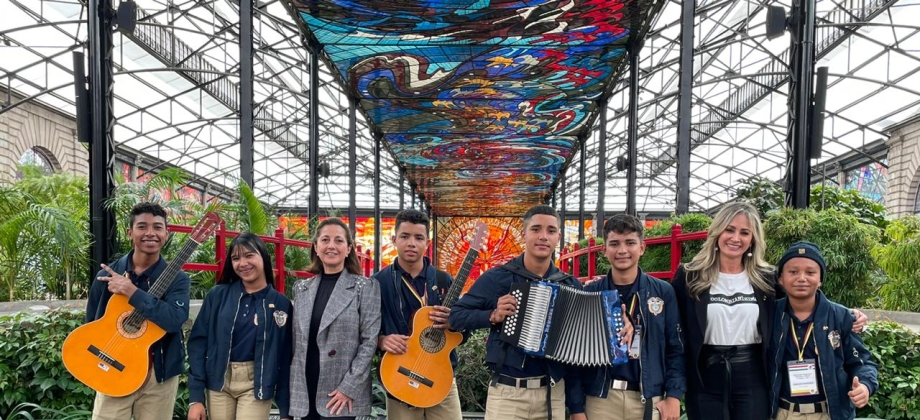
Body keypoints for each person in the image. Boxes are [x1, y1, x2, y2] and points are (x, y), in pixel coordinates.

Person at [672, 202, 868, 420]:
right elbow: (671, 327)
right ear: (717, 232)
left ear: (753, 239)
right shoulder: (690, 276)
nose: (736, 238)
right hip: (704, 375)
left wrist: (847, 314)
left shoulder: (766, 278)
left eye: (744, 232)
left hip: (754, 373)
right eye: (729, 229)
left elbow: (802, 301)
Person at [449, 205, 631, 420]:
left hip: (552, 394)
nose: (543, 237)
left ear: (558, 237)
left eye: (551, 231)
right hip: (508, 394)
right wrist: (492, 316)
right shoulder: (498, 278)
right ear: (524, 234)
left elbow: (579, 350)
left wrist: (618, 325)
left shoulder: (570, 285)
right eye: (536, 229)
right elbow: (455, 316)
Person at [569, 214, 685, 420]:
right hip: (600, 400)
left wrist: (674, 396)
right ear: (604, 250)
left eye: (630, 243)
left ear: (642, 247)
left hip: (648, 398)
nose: (622, 250)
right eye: (614, 244)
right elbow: (575, 357)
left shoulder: (663, 293)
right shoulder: (590, 293)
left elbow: (676, 348)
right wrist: (577, 408)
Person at [84, 202, 190, 420]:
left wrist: (133, 292)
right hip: (114, 365)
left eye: (158, 227)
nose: (150, 233)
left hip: (158, 375)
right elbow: (91, 323)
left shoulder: (178, 279)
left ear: (166, 234)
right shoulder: (107, 275)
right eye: (142, 226)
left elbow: (174, 320)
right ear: (130, 232)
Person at [187, 233, 293, 420]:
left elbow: (285, 357)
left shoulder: (281, 304)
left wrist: (285, 411)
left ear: (263, 256)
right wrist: (196, 399)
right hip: (218, 381)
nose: (242, 263)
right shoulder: (218, 295)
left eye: (249, 255)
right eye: (236, 258)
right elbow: (198, 343)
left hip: (257, 384)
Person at [767, 242, 878, 420]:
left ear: (820, 279)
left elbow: (862, 362)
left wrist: (865, 386)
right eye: (793, 272)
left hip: (828, 414)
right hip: (781, 413)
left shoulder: (841, 317)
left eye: (810, 272)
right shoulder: (770, 315)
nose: (801, 278)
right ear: (781, 279)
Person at [374, 209, 465, 420]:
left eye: (418, 237)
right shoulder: (379, 283)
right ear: (394, 239)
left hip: (441, 378)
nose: (411, 243)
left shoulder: (444, 282)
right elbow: (363, 328)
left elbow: (463, 333)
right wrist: (381, 340)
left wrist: (453, 324)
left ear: (427, 242)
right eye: (405, 236)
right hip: (399, 375)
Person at [290, 218, 381, 420]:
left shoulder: (364, 287)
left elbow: (369, 342)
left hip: (340, 394)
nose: (331, 246)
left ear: (348, 248)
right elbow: (296, 343)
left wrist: (348, 387)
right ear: (316, 246)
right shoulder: (301, 289)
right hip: (305, 392)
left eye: (339, 241)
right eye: (325, 240)